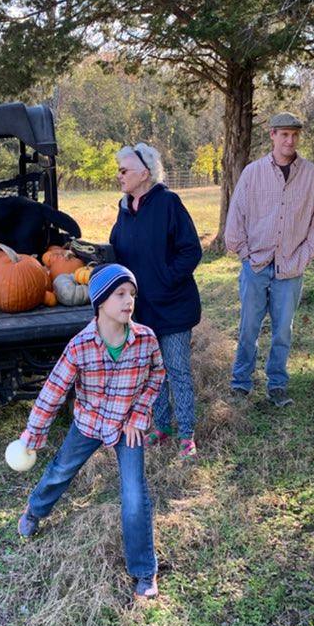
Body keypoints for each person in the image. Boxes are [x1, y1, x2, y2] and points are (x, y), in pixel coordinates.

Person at [16, 264, 166, 599]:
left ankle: (144, 571)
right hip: (90, 423)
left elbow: (157, 374)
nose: (129, 301)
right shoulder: (80, 346)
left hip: (127, 425)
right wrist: (32, 434)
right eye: (120, 294)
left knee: (134, 493)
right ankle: (35, 510)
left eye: (132, 294)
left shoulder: (145, 339)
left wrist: (139, 415)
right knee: (61, 470)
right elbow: (53, 391)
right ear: (100, 301)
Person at [224, 112, 314, 407]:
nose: (289, 141)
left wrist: (302, 258)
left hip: (291, 267)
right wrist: (244, 254)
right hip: (255, 264)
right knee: (248, 328)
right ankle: (241, 383)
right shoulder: (252, 173)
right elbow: (236, 215)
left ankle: (277, 385)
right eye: (284, 134)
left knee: (283, 331)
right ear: (272, 135)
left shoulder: (312, 175)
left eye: (294, 135)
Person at [109, 143, 202, 458]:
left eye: (124, 170)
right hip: (142, 309)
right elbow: (116, 248)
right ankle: (162, 427)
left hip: (173, 305)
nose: (119, 175)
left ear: (144, 173)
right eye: (119, 170)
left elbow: (191, 250)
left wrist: (166, 279)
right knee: (153, 372)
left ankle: (187, 434)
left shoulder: (168, 203)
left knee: (177, 370)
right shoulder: (125, 209)